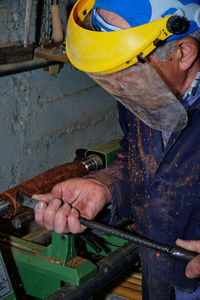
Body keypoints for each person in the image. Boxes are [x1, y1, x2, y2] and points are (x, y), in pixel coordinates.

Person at [34, 0, 200, 299]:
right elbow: (141, 161)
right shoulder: (147, 90)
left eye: (127, 67)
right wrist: (105, 186)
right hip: (162, 276)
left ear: (184, 53)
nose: (119, 84)